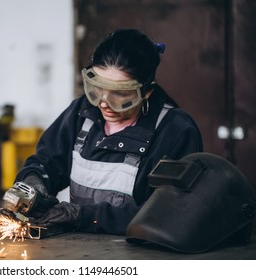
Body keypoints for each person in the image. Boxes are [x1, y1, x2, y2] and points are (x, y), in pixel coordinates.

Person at [13, 29, 203, 235]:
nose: (104, 103)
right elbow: (47, 162)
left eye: (120, 94)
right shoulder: (81, 112)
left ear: (147, 91)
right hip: (78, 250)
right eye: (98, 88)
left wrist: (80, 216)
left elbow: (166, 213)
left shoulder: (175, 130)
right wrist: (34, 181)